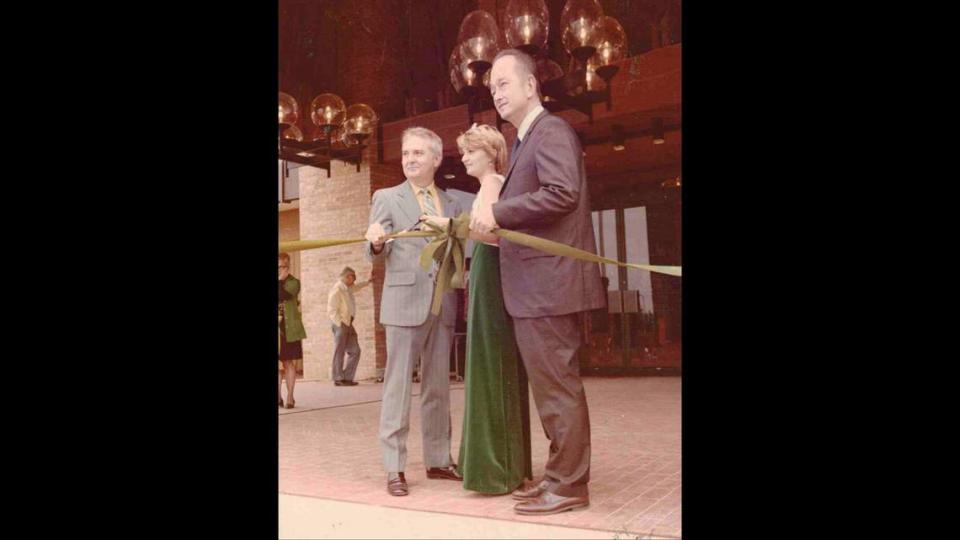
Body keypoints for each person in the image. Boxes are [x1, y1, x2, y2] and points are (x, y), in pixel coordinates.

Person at [471, 49, 605, 515]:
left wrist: (498, 212)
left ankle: (569, 486)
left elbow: (561, 193)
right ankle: (559, 476)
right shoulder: (529, 138)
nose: (497, 94)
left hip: (548, 288)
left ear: (531, 86)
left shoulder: (550, 131)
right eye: (492, 89)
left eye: (504, 84)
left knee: (557, 388)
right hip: (538, 289)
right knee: (552, 389)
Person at [424, 123, 533, 495]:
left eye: (471, 151)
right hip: (485, 277)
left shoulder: (494, 184)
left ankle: (500, 470)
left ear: (490, 152)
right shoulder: (490, 186)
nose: (465, 157)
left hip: (492, 278)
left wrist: (451, 226)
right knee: (490, 365)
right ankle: (503, 465)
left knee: (492, 365)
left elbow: (491, 232)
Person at [364, 126, 464, 496]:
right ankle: (394, 468)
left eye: (418, 153)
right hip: (403, 304)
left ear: (436, 159)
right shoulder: (386, 198)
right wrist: (375, 243)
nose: (410, 159)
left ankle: (439, 459)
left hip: (442, 304)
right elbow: (375, 249)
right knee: (398, 388)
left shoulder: (451, 203)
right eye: (406, 153)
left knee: (438, 386)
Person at [326, 266, 372, 386]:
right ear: (347, 277)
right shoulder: (337, 289)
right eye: (353, 277)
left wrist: (368, 281)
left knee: (355, 351)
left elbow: (356, 287)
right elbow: (331, 309)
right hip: (341, 324)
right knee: (339, 351)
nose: (354, 280)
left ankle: (347, 378)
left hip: (348, 323)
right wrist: (339, 323)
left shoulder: (347, 288)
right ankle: (338, 378)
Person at [278, 252, 307, 409]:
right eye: (279, 266)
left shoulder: (294, 282)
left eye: (284, 266)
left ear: (288, 267)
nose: (281, 269)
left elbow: (283, 295)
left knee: (289, 363)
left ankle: (290, 397)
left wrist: (281, 281)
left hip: (289, 328)